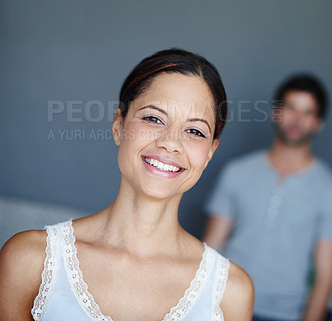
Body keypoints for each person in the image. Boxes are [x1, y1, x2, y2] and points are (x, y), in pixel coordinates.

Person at [0, 49, 254, 321]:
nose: (170, 142)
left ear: (210, 152)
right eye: (154, 118)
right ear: (118, 125)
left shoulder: (231, 292)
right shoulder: (29, 260)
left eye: (194, 131)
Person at [203, 73, 332, 321]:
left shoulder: (327, 188)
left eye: (308, 112)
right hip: (226, 304)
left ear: (318, 123)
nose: (297, 118)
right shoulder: (237, 172)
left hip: (286, 313)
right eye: (291, 107)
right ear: (275, 113)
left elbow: (325, 275)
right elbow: (211, 249)